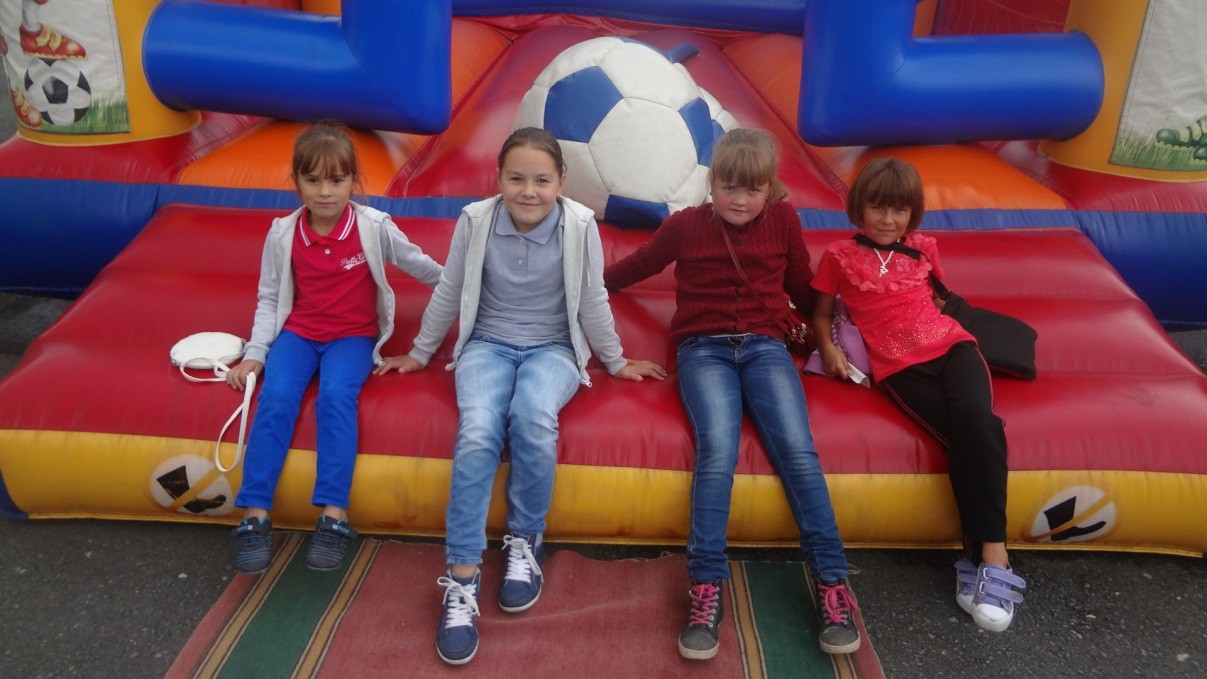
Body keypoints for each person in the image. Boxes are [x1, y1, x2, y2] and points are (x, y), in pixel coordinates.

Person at [377, 127, 666, 665]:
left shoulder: (579, 226)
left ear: (561, 182)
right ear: (498, 179)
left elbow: (593, 299)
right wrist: (419, 352)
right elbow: (449, 290)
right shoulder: (475, 221)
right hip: (487, 344)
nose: (528, 191)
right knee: (479, 430)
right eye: (516, 179)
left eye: (541, 181)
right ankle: (462, 574)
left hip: (553, 348)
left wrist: (615, 360)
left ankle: (524, 540)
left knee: (532, 416)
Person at [604, 128, 861, 660]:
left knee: (797, 451)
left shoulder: (784, 221)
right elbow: (636, 266)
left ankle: (832, 582)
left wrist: (840, 318)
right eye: (729, 188)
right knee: (717, 450)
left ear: (770, 190)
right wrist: (578, 284)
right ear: (711, 183)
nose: (739, 200)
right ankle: (706, 585)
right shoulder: (685, 226)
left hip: (766, 347)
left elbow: (800, 283)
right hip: (704, 350)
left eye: (752, 190)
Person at [810, 157, 1026, 632]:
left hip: (954, 347)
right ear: (859, 207)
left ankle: (993, 557)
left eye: (900, 210)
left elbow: (941, 299)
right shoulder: (839, 256)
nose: (888, 219)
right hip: (899, 368)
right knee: (964, 437)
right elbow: (820, 313)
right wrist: (828, 349)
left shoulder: (924, 247)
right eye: (878, 207)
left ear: (913, 213)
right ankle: (976, 563)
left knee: (980, 423)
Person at [225, 121, 443, 576]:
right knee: (275, 398)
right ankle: (255, 514)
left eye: (336, 180)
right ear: (296, 182)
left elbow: (423, 267)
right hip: (299, 335)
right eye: (313, 180)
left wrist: (468, 293)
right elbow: (269, 296)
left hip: (352, 338)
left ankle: (333, 515)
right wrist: (256, 352)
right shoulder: (283, 233)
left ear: (353, 181)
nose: (325, 192)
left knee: (336, 399)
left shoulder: (373, 228)